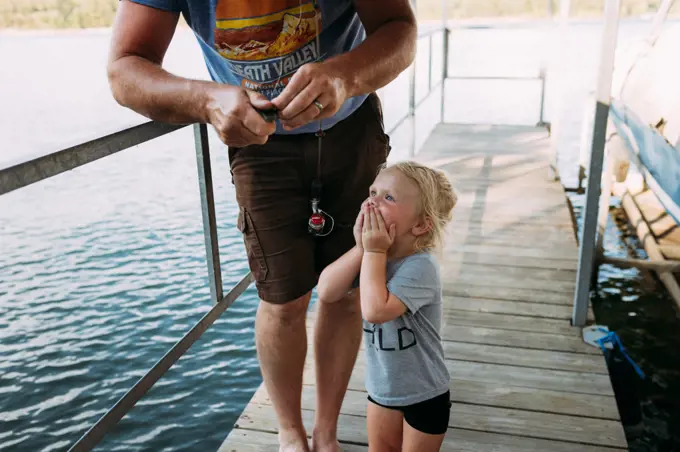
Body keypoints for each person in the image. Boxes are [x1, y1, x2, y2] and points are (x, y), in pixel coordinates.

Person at [106, 1, 417, 451]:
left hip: (351, 131)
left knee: (347, 293)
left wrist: (344, 76)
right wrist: (206, 98)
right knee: (282, 299)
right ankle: (290, 432)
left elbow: (400, 30)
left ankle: (326, 430)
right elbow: (124, 70)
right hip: (258, 146)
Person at [317, 161, 457, 451]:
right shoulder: (371, 257)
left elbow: (375, 311)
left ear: (420, 224)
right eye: (372, 191)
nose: (372, 201)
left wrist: (375, 250)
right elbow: (327, 291)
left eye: (388, 197)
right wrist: (361, 249)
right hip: (382, 390)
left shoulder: (421, 267)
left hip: (425, 394)